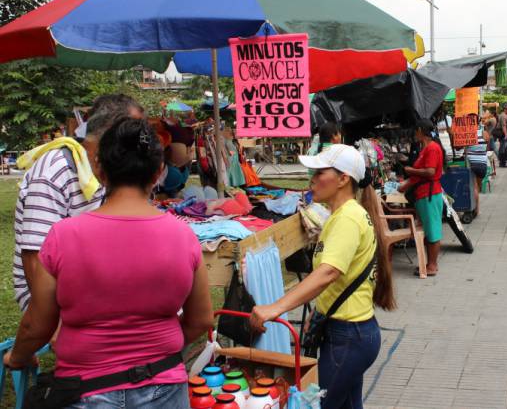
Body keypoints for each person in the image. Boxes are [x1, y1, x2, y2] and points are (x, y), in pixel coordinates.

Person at [3, 118, 213, 408]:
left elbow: (37, 325)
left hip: (86, 390)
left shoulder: (64, 236)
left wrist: (17, 357)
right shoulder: (183, 236)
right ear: (158, 172)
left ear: (99, 169)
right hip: (165, 385)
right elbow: (201, 319)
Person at [250, 144, 394, 409]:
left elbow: (328, 272)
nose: (312, 180)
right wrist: (319, 312)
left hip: (349, 336)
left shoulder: (348, 218)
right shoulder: (341, 215)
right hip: (350, 333)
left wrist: (275, 308)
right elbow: (339, 277)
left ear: (343, 179)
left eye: (319, 173)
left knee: (313, 405)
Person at [12, 94, 144, 312]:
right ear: (113, 131)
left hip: (92, 275)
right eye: (136, 131)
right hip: (49, 291)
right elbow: (34, 258)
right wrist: (50, 321)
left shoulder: (109, 166)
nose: (143, 139)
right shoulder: (55, 170)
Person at [399, 119, 444, 275]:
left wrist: (410, 170)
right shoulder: (425, 148)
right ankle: (430, 264)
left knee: (433, 231)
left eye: (415, 131)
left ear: (420, 130)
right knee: (429, 230)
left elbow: (430, 172)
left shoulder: (432, 148)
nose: (414, 134)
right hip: (424, 194)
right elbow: (421, 175)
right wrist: (406, 184)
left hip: (429, 195)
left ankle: (432, 266)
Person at [465, 140, 488, 218]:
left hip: (472, 162)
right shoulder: (484, 134)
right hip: (483, 163)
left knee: (474, 187)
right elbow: (487, 146)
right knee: (477, 187)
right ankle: (477, 209)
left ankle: (475, 209)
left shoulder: (468, 135)